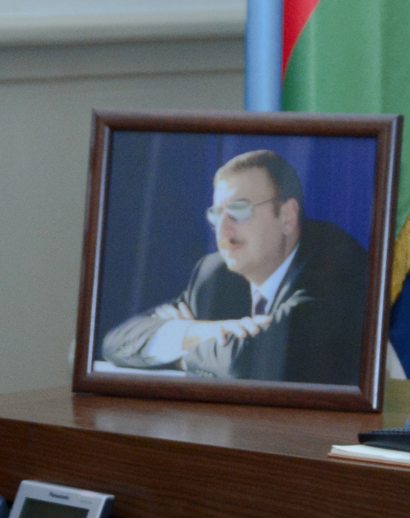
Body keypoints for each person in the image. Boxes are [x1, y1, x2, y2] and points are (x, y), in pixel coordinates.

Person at [101, 149, 367, 384]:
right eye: (217, 215)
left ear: (287, 217)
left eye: (240, 210)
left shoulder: (336, 265)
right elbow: (118, 342)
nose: (223, 232)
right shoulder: (215, 274)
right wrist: (197, 331)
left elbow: (250, 364)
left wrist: (181, 356)